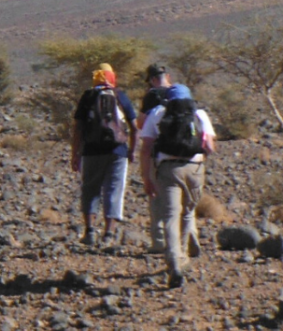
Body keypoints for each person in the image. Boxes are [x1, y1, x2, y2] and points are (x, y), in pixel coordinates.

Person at [139, 84, 216, 288]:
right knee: (188, 213)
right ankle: (182, 257)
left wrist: (146, 177)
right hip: (194, 169)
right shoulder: (199, 114)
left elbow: (146, 148)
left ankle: (174, 262)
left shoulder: (157, 113)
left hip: (167, 169)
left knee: (171, 216)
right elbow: (209, 146)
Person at [70, 63, 137, 246]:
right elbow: (134, 126)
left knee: (91, 189)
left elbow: (78, 128)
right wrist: (132, 150)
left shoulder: (88, 96)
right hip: (118, 150)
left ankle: (90, 231)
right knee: (114, 189)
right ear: (112, 77)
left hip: (91, 150)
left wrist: (75, 154)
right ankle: (109, 234)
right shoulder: (119, 95)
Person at [138, 64, 176, 254]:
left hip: (157, 154)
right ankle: (183, 240)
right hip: (185, 155)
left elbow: (140, 123)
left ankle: (159, 240)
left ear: (152, 80)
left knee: (156, 196)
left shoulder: (152, 95)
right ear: (167, 76)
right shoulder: (180, 94)